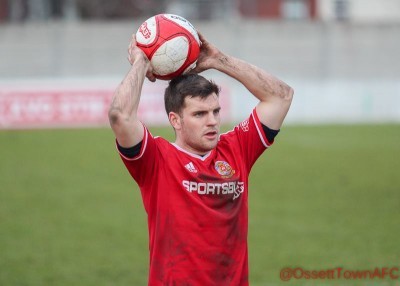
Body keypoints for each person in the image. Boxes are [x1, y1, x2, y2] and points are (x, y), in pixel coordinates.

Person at [108, 32, 293, 285]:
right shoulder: (156, 159)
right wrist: (142, 60)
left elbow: (281, 96)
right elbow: (120, 116)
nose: (212, 121)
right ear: (175, 120)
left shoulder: (236, 148)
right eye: (199, 114)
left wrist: (219, 60)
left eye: (215, 111)